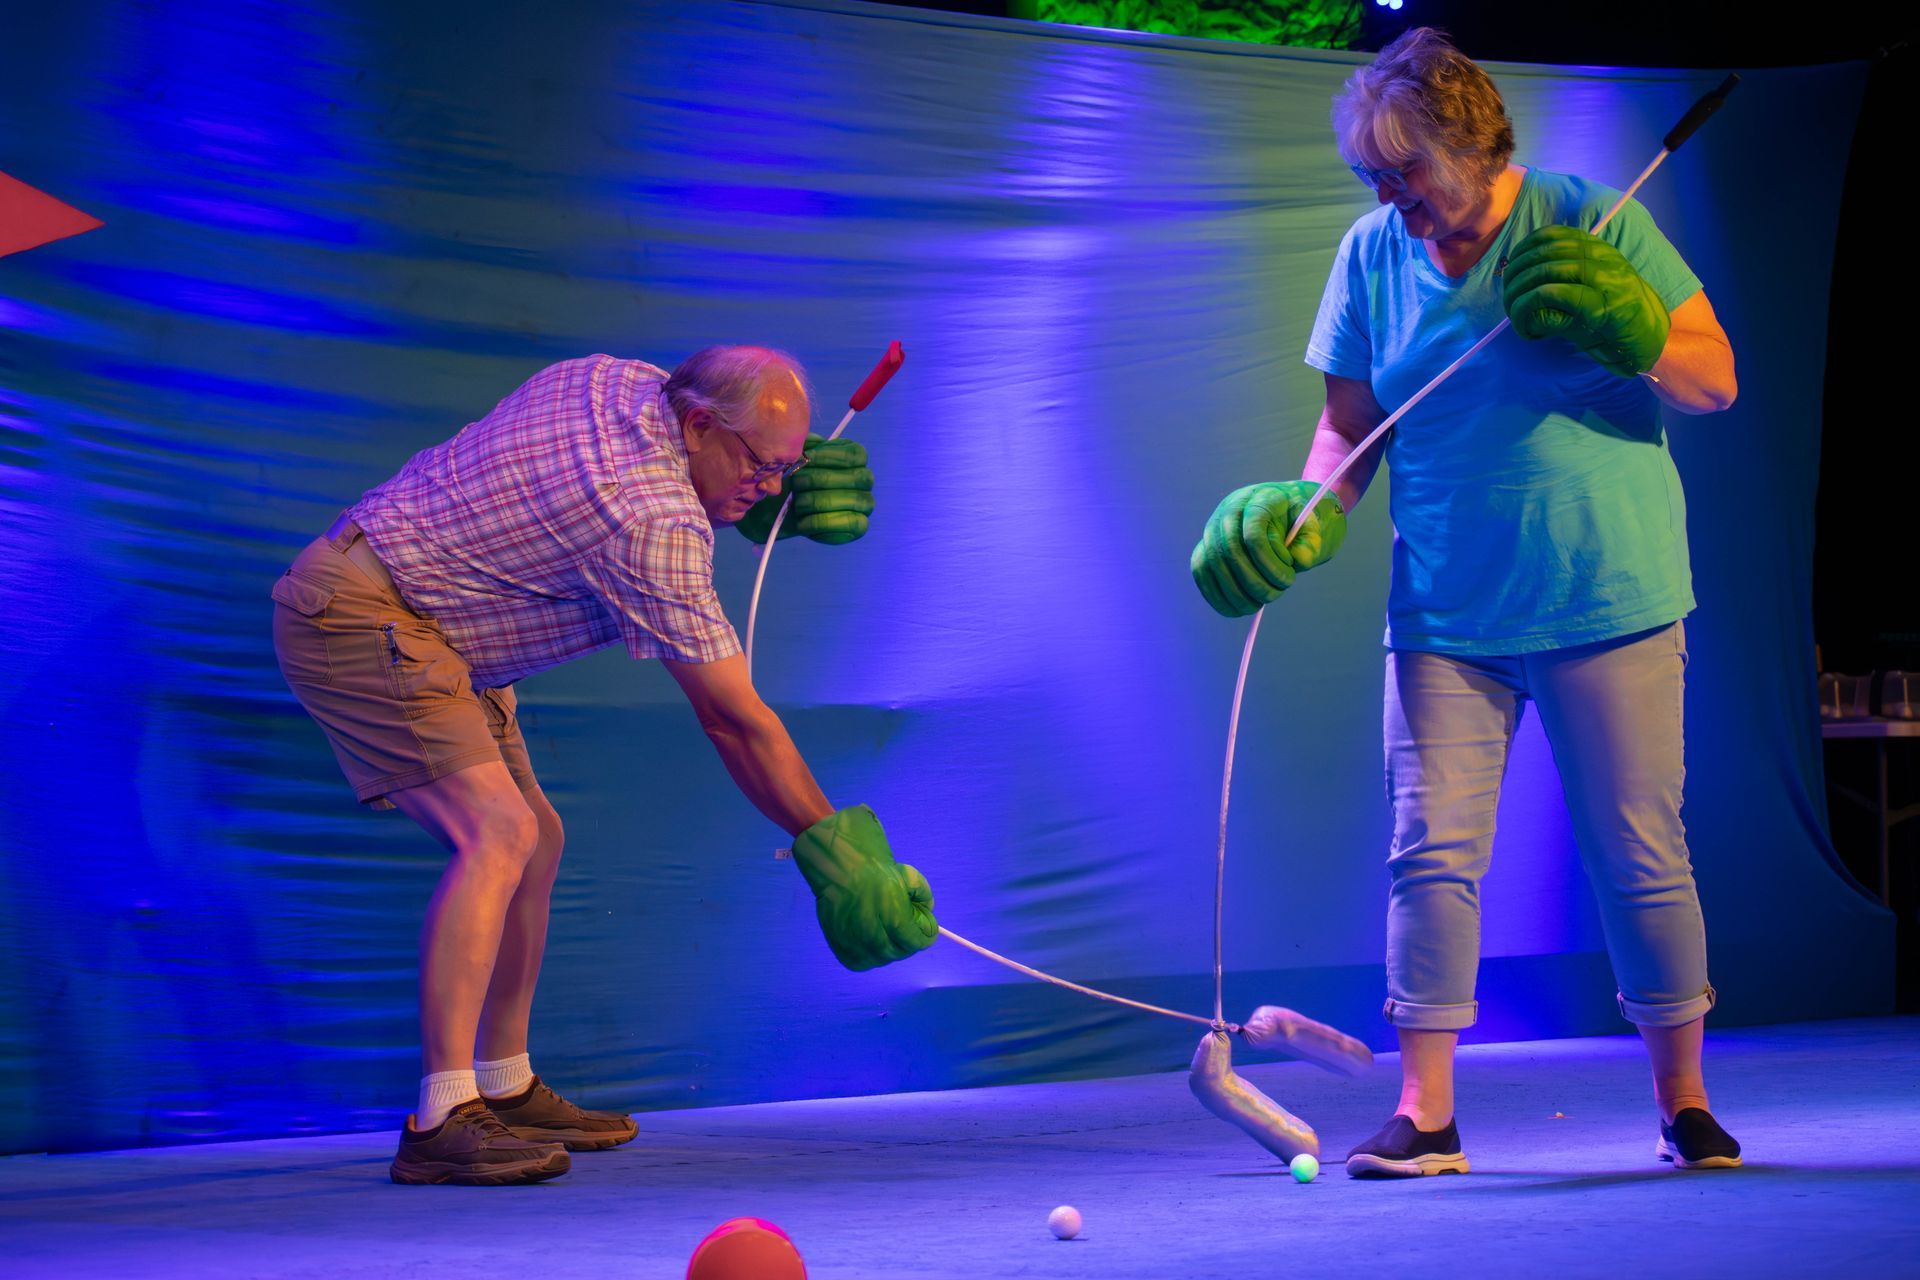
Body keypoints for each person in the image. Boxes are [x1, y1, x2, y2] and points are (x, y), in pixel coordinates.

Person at [1190, 28, 1741, 1177]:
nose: (1390, 199)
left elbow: (1714, 379)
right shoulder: (1370, 255)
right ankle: (1426, 1113)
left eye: (1407, 172)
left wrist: (1634, 327)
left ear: (1476, 145)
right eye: (1373, 177)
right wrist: (1311, 507)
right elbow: (1349, 425)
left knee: (1640, 851)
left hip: (1606, 594)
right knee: (1428, 855)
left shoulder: (1588, 217)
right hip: (1445, 610)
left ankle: (1685, 1103)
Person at [270, 346, 936, 1185]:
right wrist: (838, 853)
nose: (769, 486)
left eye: (785, 469)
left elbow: (626, 478)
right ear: (698, 425)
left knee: (535, 840)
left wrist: (756, 495)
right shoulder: (649, 521)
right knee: (498, 831)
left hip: (430, 621)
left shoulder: (617, 380)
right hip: (363, 618)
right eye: (760, 467)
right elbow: (732, 722)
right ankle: (441, 1118)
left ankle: (503, 1084)